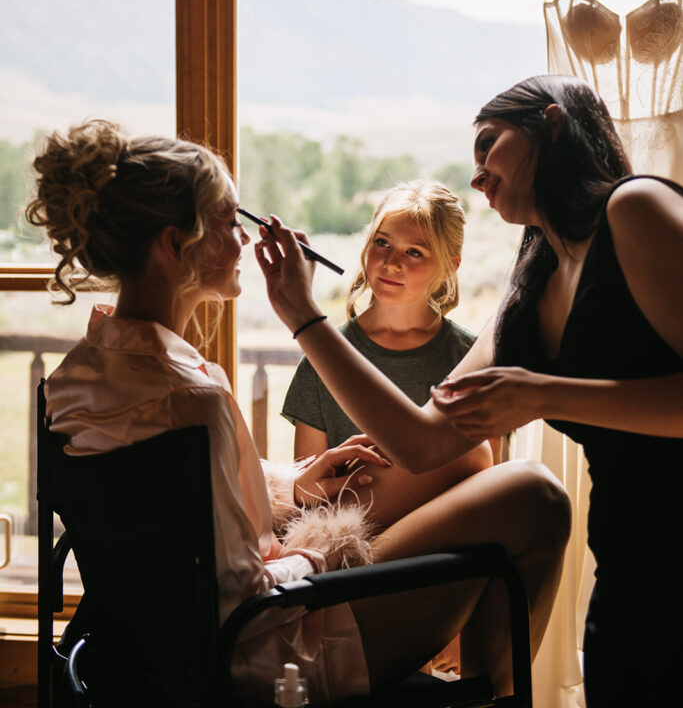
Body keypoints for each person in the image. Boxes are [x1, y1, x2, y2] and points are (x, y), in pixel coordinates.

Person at [27, 119, 570, 705]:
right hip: (265, 653)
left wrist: (299, 483)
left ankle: (479, 678)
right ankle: (491, 692)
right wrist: (318, 554)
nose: (243, 242)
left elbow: (175, 498)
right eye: (229, 223)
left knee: (466, 457)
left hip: (140, 646)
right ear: (171, 245)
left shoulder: (76, 377)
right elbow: (246, 591)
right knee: (535, 496)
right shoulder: (191, 398)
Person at [255, 75, 682, 708]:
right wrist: (303, 317)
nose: (478, 176)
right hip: (632, 567)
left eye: (489, 144)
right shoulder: (537, 272)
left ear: (553, 121)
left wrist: (546, 395)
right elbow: (425, 442)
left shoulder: (635, 208)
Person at [282, 180, 491, 481]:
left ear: (449, 267)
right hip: (349, 525)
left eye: (414, 252)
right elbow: (309, 498)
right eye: (382, 243)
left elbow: (484, 481)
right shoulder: (321, 360)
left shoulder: (470, 360)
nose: (392, 263)